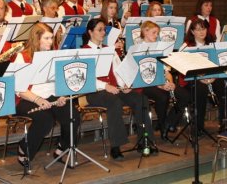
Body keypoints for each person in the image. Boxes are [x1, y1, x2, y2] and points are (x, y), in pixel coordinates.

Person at [82, 18, 155, 159]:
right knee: (114, 102)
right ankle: (116, 146)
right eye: (99, 30)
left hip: (114, 89)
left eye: (104, 30)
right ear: (90, 32)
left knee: (141, 99)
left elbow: (117, 70)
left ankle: (145, 141)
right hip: (95, 91)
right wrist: (105, 86)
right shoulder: (84, 51)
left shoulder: (110, 50)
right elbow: (87, 77)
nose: (103, 32)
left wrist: (124, 84)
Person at [13, 23, 78, 173]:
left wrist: (61, 95)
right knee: (45, 119)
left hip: (51, 96)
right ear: (37, 39)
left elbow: (58, 81)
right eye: (47, 38)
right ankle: (24, 148)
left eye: (51, 38)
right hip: (27, 98)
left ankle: (62, 148)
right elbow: (19, 89)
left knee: (73, 116)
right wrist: (38, 100)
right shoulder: (22, 57)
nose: (51, 42)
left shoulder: (53, 55)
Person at [140, 21, 189, 140]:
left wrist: (170, 82)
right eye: (154, 33)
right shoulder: (138, 49)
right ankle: (162, 126)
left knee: (185, 96)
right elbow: (141, 75)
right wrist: (160, 85)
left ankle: (169, 122)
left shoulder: (161, 48)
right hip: (145, 84)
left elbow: (167, 71)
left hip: (162, 82)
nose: (157, 35)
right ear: (145, 31)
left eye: (157, 33)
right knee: (162, 96)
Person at [179, 18, 227, 133]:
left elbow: (217, 63)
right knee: (200, 89)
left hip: (211, 77)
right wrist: (201, 78)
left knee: (224, 86)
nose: (201, 32)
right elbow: (182, 67)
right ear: (192, 32)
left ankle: (224, 123)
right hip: (192, 79)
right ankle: (198, 126)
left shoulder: (212, 44)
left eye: (203, 29)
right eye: (197, 30)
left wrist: (213, 77)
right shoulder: (186, 46)